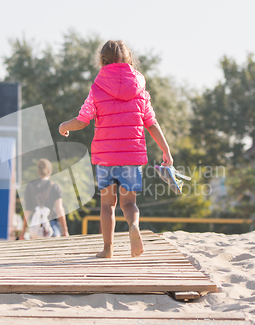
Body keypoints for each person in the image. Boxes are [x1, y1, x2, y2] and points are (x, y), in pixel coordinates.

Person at [58, 40, 174, 258]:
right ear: (129, 59)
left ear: (102, 61)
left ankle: (107, 249)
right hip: (131, 156)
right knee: (128, 203)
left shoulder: (97, 89)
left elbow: (82, 120)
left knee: (107, 205)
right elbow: (151, 123)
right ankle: (134, 226)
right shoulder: (140, 91)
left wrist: (64, 126)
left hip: (106, 157)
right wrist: (166, 150)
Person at [20, 159, 69, 239]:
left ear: (38, 171)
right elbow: (59, 209)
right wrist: (65, 230)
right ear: (49, 171)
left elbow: (27, 210)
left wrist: (23, 231)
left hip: (35, 225)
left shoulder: (30, 186)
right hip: (51, 226)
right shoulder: (55, 187)